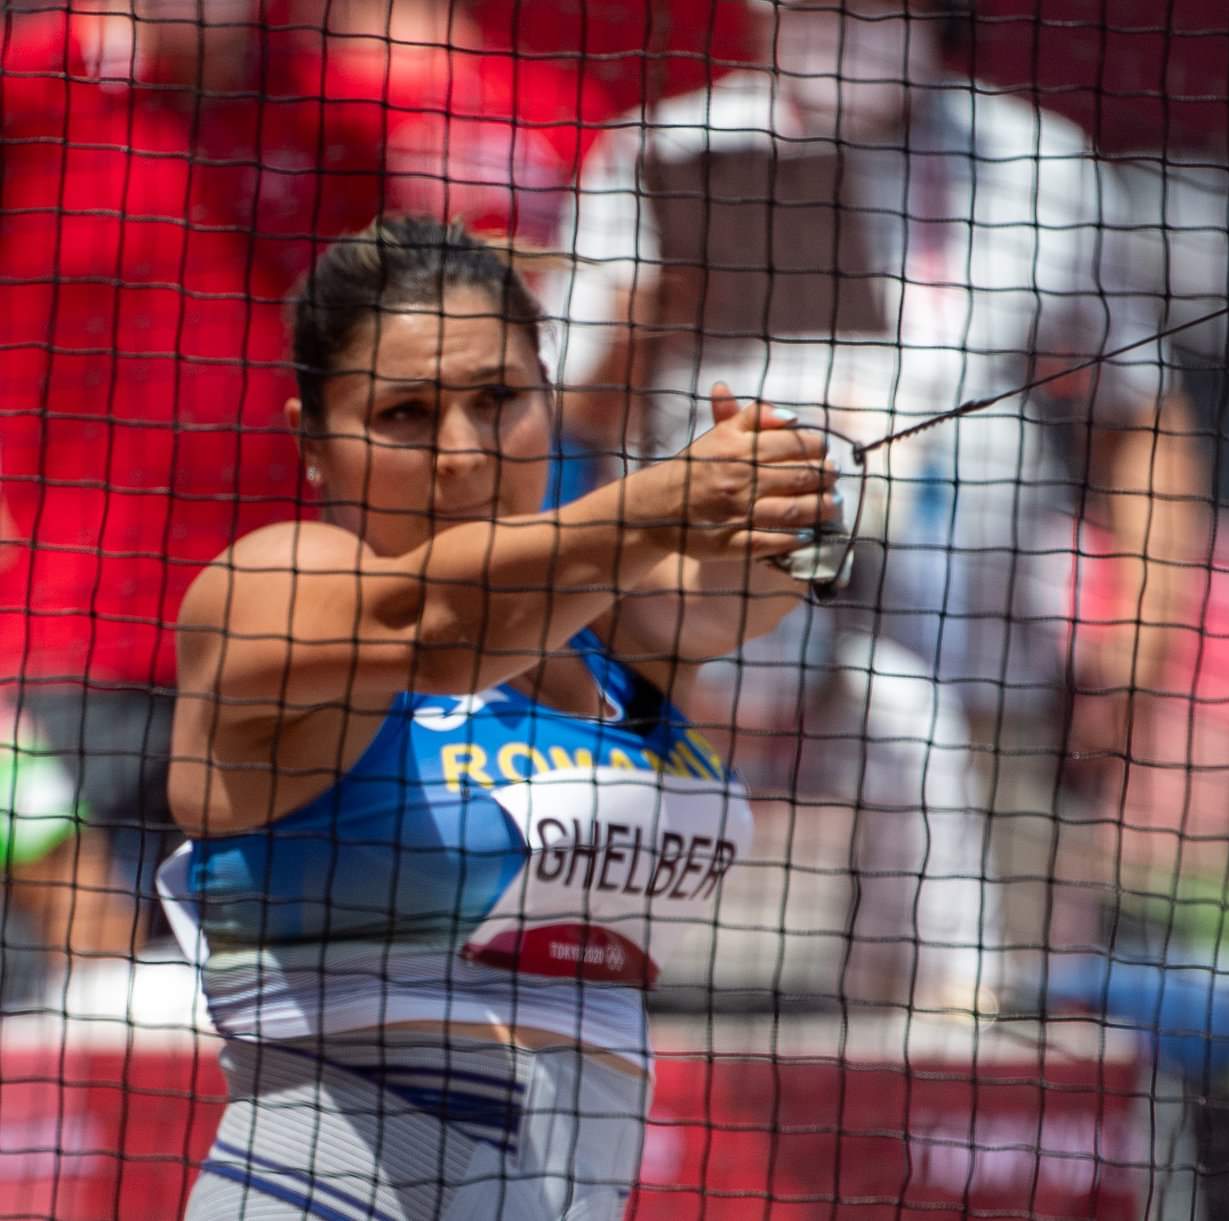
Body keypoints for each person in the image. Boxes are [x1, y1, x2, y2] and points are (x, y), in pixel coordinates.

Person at [162, 216, 837, 1219]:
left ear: (549, 399)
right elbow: (439, 624)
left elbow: (752, 577)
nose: (463, 454)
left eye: (498, 400)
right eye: (404, 413)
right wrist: (662, 501)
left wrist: (797, 496)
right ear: (311, 441)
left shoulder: (618, 632)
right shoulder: (272, 583)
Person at [555, 0, 1196, 1011]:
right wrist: (656, 305)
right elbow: (569, 414)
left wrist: (1141, 642)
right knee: (651, 994)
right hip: (706, 671)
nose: (837, 28)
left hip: (978, 661)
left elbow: (1140, 414)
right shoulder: (669, 152)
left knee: (972, 1004)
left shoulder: (1038, 162)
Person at [0, 1, 301, 1006]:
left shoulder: (329, 111)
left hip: (277, 665)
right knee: (61, 1001)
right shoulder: (38, 82)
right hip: (67, 651)